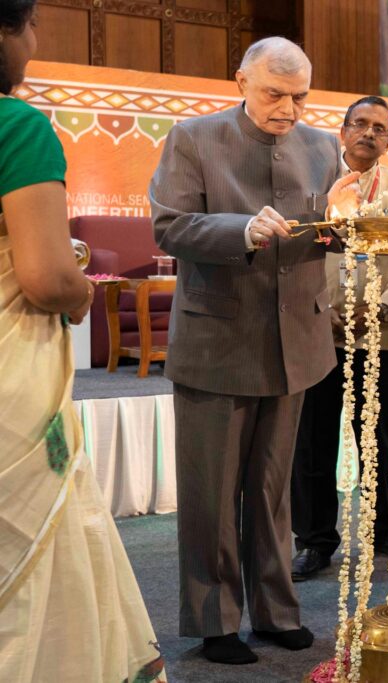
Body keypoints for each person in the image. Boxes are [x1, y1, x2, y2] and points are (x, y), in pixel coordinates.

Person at [149, 37, 360, 664]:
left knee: (272, 491)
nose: (289, 109)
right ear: (240, 80)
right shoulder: (192, 138)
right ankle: (214, 619)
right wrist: (239, 230)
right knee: (212, 493)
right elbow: (169, 225)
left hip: (296, 341)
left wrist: (349, 224)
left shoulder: (324, 147)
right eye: (274, 94)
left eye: (300, 97)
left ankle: (275, 611)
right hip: (217, 338)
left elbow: (329, 234)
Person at [0, 3, 165, 680]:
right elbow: (43, 277)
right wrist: (80, 289)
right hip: (10, 381)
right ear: (5, 34)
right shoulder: (16, 124)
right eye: (30, 27)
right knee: (28, 553)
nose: (35, 44)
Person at [291, 96, 388, 581]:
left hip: (380, 338)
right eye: (360, 124)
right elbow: (296, 252)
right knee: (311, 442)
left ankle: (384, 531)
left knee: (377, 440)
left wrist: (379, 307)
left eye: (380, 128)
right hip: (317, 333)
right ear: (342, 131)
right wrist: (323, 313)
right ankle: (315, 541)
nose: (369, 134)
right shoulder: (312, 186)